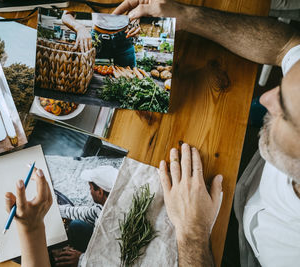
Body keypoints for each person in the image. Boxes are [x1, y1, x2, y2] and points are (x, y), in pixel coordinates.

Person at [113, 0, 300, 266]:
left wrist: (193, 234)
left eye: (286, 113)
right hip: (244, 172)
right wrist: (187, 15)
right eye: (281, 88)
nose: (267, 97)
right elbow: (288, 44)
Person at [55, 165, 119, 267]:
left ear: (100, 192)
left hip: (106, 256)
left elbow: (112, 259)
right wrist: (56, 209)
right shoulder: (102, 206)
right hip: (99, 244)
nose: (90, 192)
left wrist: (81, 260)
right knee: (76, 225)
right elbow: (83, 213)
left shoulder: (113, 225)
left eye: (90, 188)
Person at [61, 11, 140, 67]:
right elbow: (66, 15)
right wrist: (79, 28)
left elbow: (136, 11)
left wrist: (135, 22)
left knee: (130, 79)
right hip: (97, 40)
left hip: (124, 40)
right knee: (92, 81)